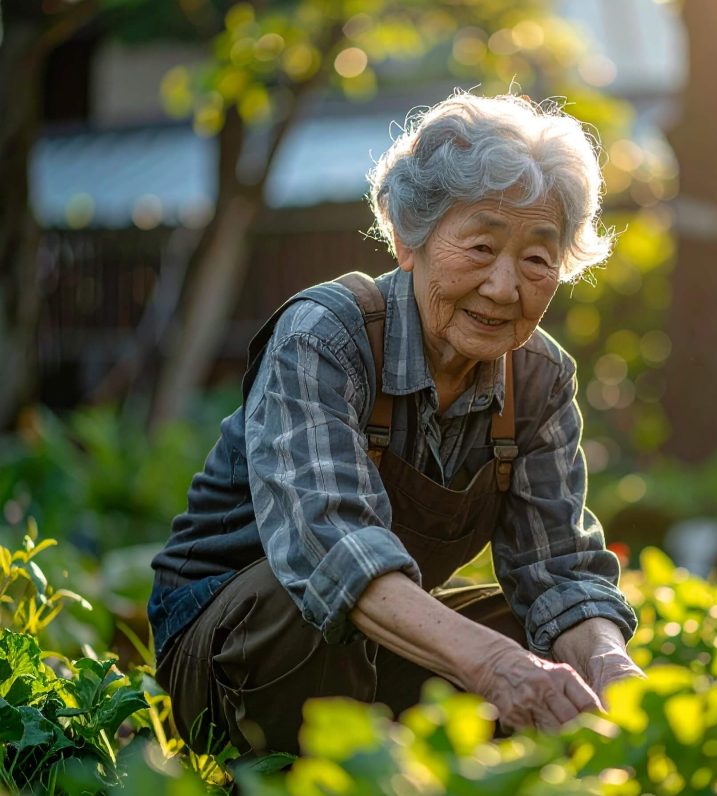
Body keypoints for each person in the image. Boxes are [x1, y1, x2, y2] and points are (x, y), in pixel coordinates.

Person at [148, 92, 641, 756]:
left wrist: (613, 672)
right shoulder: (324, 337)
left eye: (536, 259)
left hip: (374, 655)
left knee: (552, 646)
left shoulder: (540, 377)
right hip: (231, 655)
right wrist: (496, 668)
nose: (503, 287)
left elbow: (561, 573)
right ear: (410, 239)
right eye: (481, 246)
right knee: (315, 600)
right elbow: (335, 549)